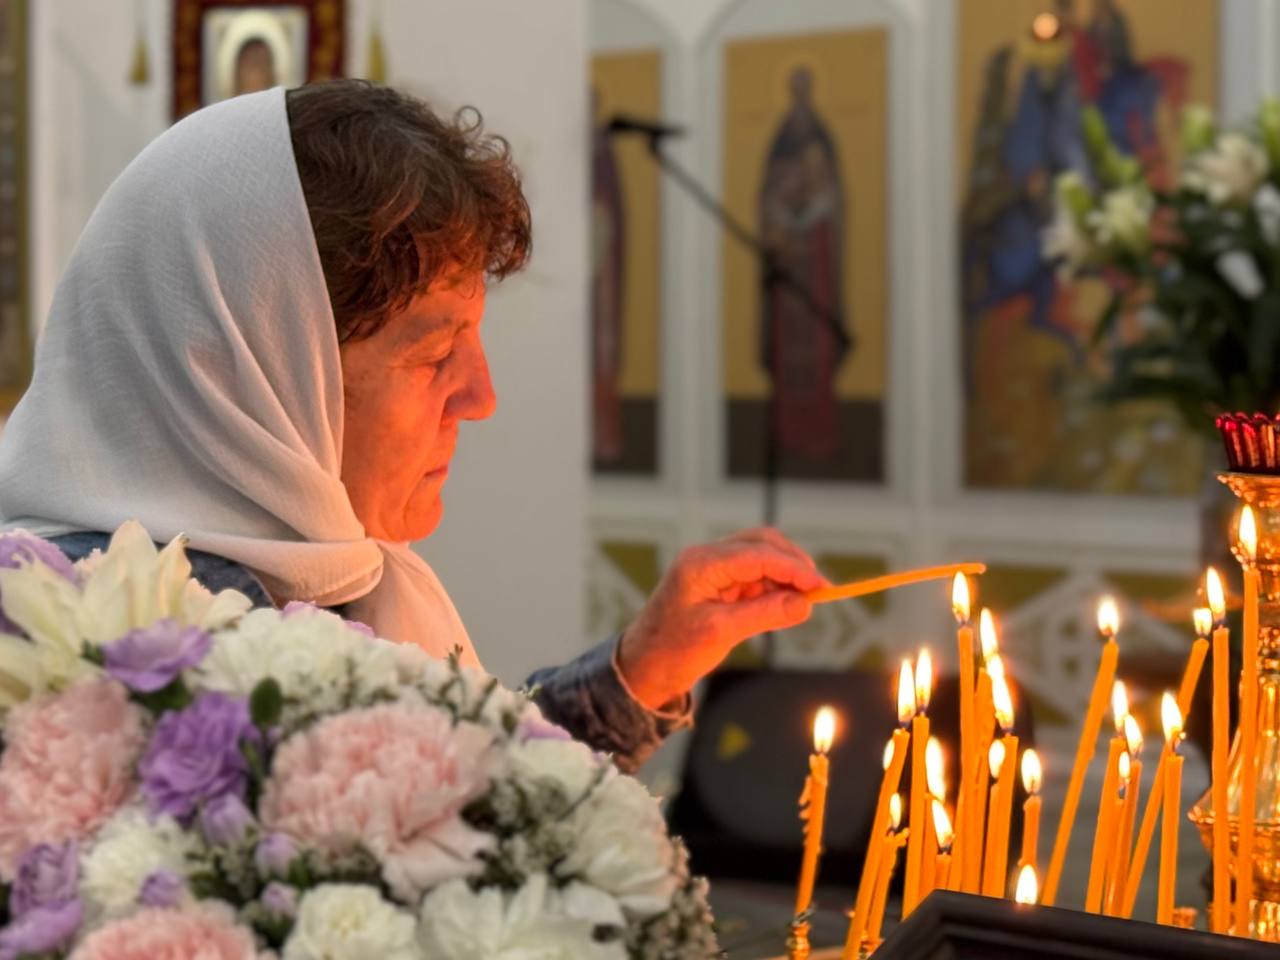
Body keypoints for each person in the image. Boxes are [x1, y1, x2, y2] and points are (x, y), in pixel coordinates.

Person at [0, 81, 823, 772]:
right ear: (250, 367)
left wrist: (643, 667)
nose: (482, 397)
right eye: (434, 356)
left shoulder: (324, 581)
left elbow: (462, 804)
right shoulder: (92, 661)